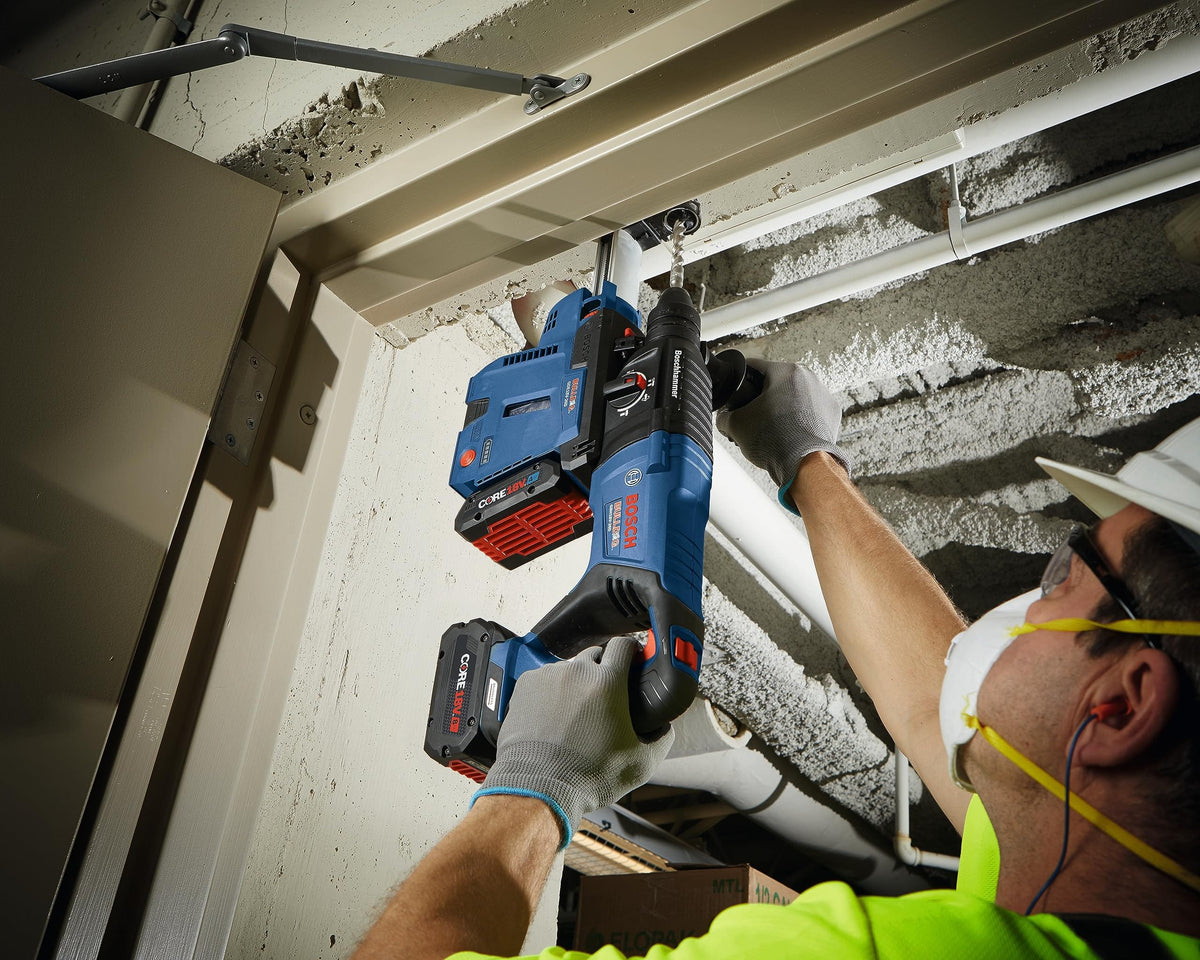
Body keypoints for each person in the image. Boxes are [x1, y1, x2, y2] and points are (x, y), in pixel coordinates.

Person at [352, 361, 1200, 960]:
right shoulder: (1086, 866)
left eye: (1064, 576)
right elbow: (927, 698)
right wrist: (808, 465)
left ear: (1122, 707)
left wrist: (536, 786)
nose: (1028, 597)